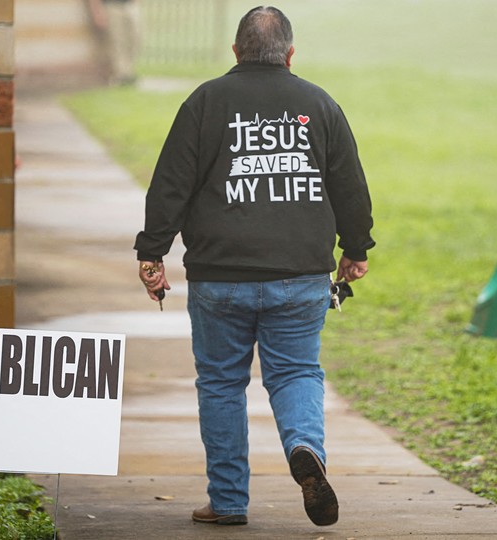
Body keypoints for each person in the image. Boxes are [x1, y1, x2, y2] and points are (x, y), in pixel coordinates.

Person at [134, 5, 374, 527]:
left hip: (220, 279)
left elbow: (171, 183)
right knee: (296, 373)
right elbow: (349, 185)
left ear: (236, 51)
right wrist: (356, 249)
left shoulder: (205, 102)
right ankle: (305, 448)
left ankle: (227, 502)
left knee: (221, 384)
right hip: (302, 276)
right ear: (290, 54)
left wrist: (152, 253)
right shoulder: (319, 103)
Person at [88, 0, 141, 85]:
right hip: (111, 6)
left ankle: (128, 70)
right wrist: (97, 12)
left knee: (135, 38)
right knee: (117, 40)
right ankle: (122, 74)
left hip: (129, 5)